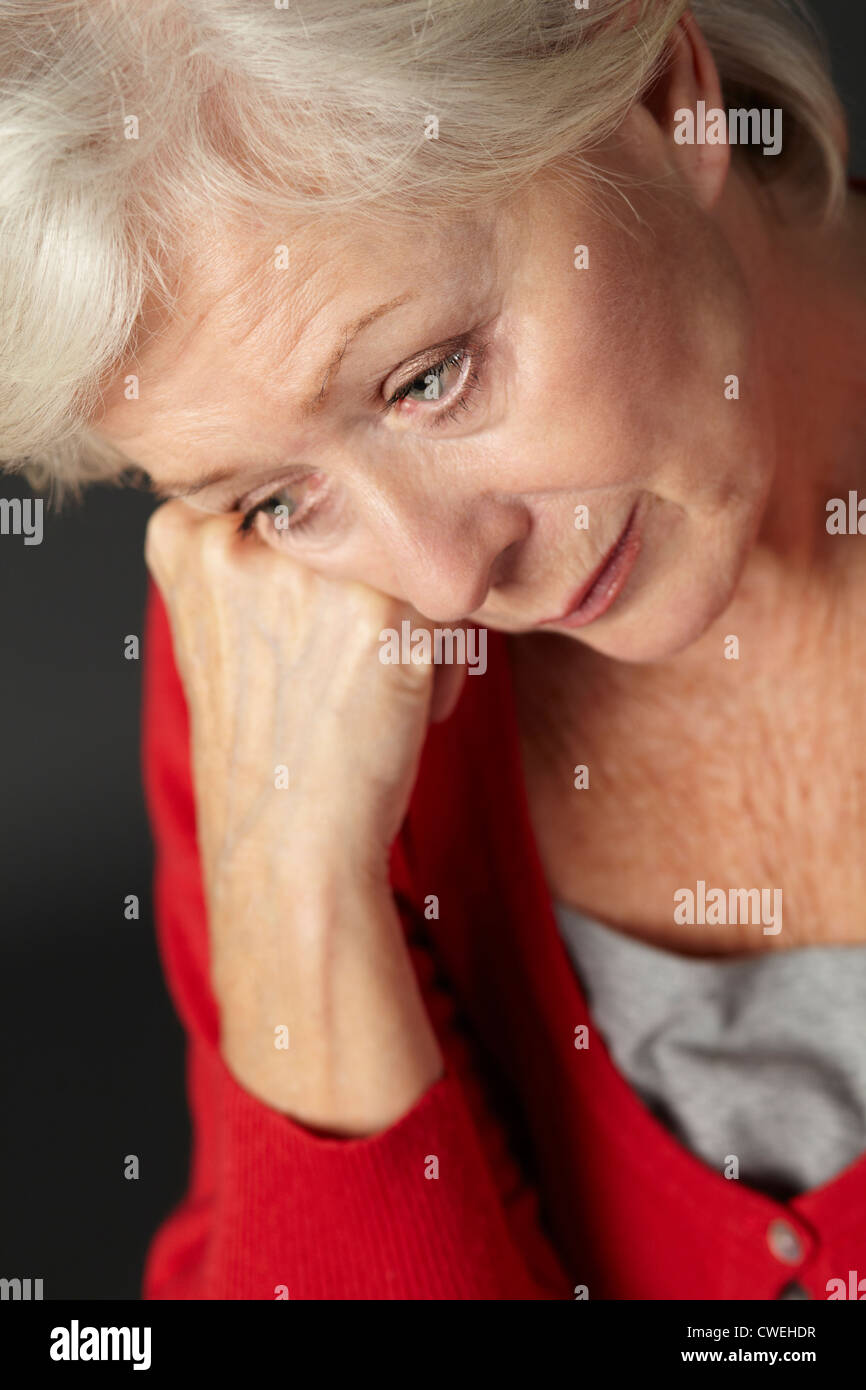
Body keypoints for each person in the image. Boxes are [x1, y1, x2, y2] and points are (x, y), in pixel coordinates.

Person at [2, 0, 865, 1299]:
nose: (443, 575)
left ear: (664, 100)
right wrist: (296, 886)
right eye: (275, 497)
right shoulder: (287, 657)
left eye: (429, 378)